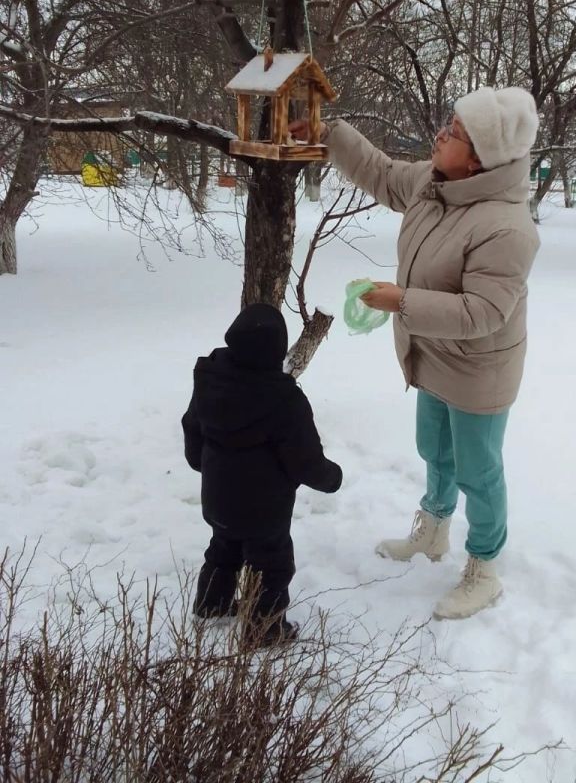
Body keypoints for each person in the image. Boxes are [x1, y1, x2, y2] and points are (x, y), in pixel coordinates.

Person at [290, 86, 540, 620]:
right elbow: (379, 173)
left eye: (453, 132)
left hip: (478, 369)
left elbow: (481, 312)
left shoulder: (507, 227)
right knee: (436, 450)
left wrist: (401, 301)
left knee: (479, 470)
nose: (440, 134)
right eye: (447, 124)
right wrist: (328, 134)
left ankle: (485, 566)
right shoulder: (435, 184)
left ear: (478, 158)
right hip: (430, 354)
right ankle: (433, 530)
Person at [182, 303, 343, 642]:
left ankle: (212, 605)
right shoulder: (284, 399)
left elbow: (192, 426)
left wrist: (201, 463)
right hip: (264, 509)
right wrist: (331, 478)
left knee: (223, 548)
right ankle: (265, 630)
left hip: (218, 497)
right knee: (271, 565)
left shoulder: (211, 378)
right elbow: (304, 459)